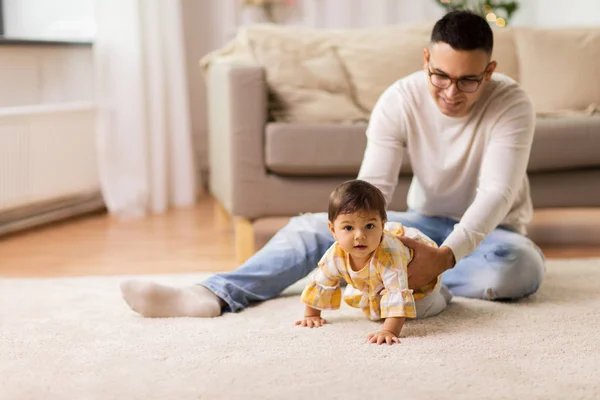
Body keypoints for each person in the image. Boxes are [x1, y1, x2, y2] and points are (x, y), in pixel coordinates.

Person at [120, 10, 545, 319]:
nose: (451, 92)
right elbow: (374, 187)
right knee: (310, 227)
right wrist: (365, 238)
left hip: (493, 235)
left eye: (468, 80)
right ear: (425, 61)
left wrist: (445, 258)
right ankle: (212, 295)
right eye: (440, 76)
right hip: (422, 221)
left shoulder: (512, 103)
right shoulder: (400, 98)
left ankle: (422, 283)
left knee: (520, 268)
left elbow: (497, 192)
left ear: (488, 72)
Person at [295, 180, 452, 345]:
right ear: (333, 230)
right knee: (358, 297)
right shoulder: (336, 254)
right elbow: (321, 282)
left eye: (369, 226)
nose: (359, 236)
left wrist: (388, 330)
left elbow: (396, 294)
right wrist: (311, 315)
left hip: (420, 275)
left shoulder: (389, 255)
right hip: (376, 280)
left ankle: (442, 294)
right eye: (348, 228)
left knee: (415, 309)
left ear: (382, 225)